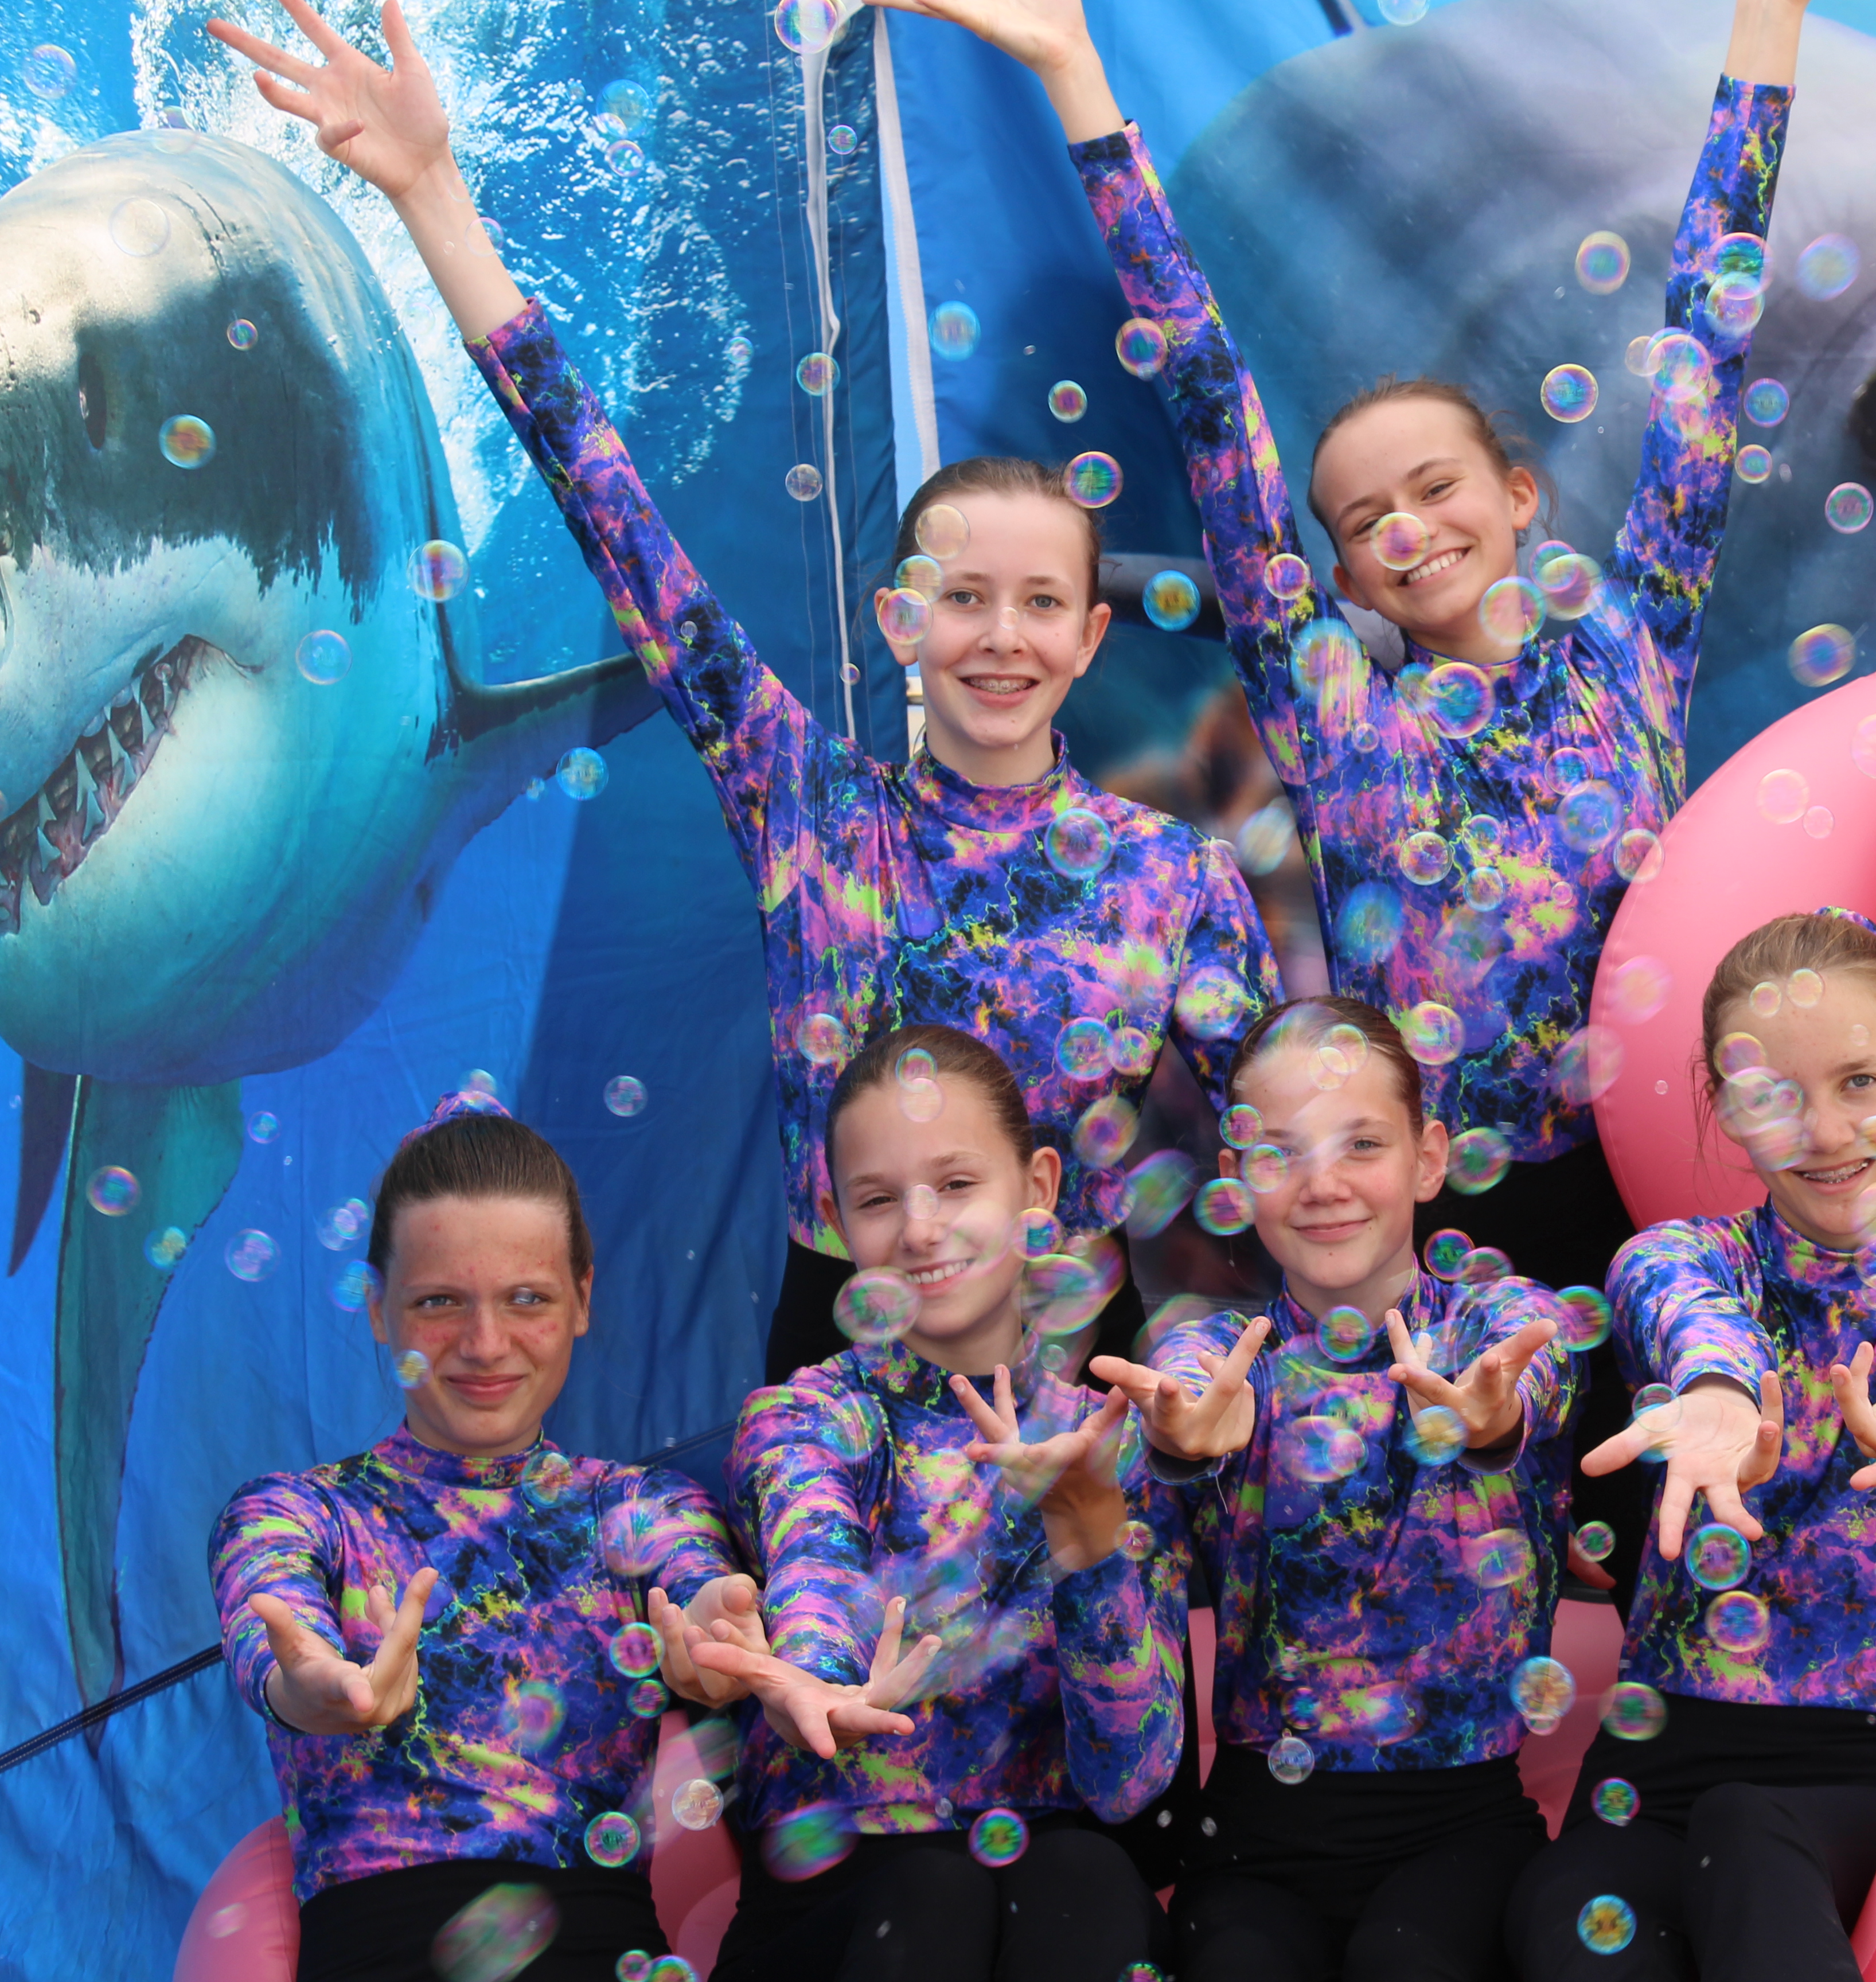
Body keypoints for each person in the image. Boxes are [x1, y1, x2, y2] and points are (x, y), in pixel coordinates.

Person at [208, 0, 1282, 1389]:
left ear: (1087, 638)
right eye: (963, 599)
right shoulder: (811, 812)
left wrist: (1077, 74)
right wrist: (431, 192)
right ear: (903, 624)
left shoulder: (1174, 878)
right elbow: (610, 507)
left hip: (1090, 1388)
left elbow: (1296, 1137)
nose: (999, 637)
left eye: (1038, 605)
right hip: (837, 1387)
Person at [933, 0, 1805, 1603]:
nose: (1404, 528)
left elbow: (1710, 325)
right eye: (1360, 522)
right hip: (1443, 1232)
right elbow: (1206, 402)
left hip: (1659, 1193)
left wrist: (1770, 35)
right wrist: (1077, 83)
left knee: (1684, 1565)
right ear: (1333, 575)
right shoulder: (1343, 719)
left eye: (1435, 487)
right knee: (1478, 1606)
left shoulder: (1630, 641)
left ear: (1518, 498)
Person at [1505, 912, 1876, 1982]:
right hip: (1660, 1772)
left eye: (1861, 1081)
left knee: (1753, 1837)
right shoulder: (1678, 1259)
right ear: (1721, 1108)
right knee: (1559, 1917)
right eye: (1771, 1096)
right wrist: (1716, 1389)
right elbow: (1680, 1311)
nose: (1823, 1130)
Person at [208, 1094, 759, 1980]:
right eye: (439, 1302)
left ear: (582, 1299)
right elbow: (267, 1612)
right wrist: (307, 1687)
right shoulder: (296, 1512)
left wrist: (718, 1629)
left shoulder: (644, 1506)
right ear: (379, 1308)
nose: (485, 1342)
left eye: (527, 1298)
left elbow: (695, 1576)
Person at [1085, 997, 1577, 1981]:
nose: (1322, 1185)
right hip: (1257, 1838)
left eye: (1361, 1143)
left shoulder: (1500, 1321)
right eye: (1280, 1154)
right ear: (1234, 1181)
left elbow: (1532, 1370)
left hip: (1464, 1828)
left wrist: (1492, 1419)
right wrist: (1184, 1440)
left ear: (1429, 1158)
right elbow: (1183, 1379)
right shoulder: (1222, 1355)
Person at [684, 1023, 1185, 1981]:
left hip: (1052, 1892)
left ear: (1038, 1191)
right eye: (878, 1200)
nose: (919, 1230)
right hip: (840, 1904)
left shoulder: (1106, 1431)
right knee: (938, 1887)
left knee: (1082, 1869)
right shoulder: (804, 1418)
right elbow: (812, 1563)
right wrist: (820, 1681)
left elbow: (1130, 1785)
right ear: (836, 1218)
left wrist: (1090, 1549)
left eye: (957, 1185)